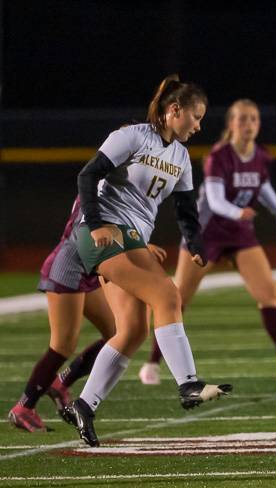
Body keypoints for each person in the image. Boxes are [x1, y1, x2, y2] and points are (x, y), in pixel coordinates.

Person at [65, 74, 232, 447]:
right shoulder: (133, 136)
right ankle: (188, 383)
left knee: (134, 330)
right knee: (167, 295)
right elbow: (87, 175)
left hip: (132, 239)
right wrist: (95, 224)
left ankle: (84, 404)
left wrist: (197, 244)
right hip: (105, 233)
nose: (199, 125)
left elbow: (187, 211)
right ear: (174, 111)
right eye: (196, 116)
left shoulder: (182, 156)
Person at [139, 99, 276, 386]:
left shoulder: (260, 155)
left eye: (253, 119)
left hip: (240, 235)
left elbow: (264, 188)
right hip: (206, 234)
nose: (248, 125)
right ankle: (152, 364)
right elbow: (216, 201)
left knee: (268, 292)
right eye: (242, 119)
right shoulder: (219, 156)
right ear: (231, 124)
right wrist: (237, 212)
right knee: (178, 298)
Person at [7, 197, 169, 432]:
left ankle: (62, 382)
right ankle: (23, 407)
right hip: (69, 266)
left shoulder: (116, 186)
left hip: (89, 269)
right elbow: (93, 229)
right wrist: (139, 246)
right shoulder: (100, 186)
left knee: (117, 332)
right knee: (63, 344)